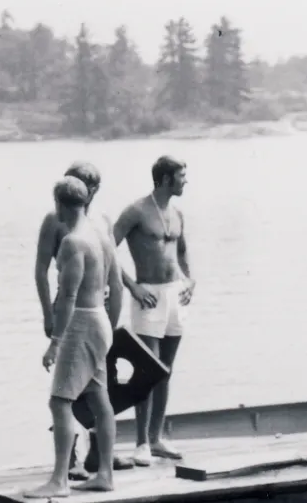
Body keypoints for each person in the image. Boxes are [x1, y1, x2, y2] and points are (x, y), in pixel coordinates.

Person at [33, 162, 134, 476]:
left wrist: (56, 342)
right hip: (90, 318)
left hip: (83, 320)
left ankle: (61, 478)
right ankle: (93, 469)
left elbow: (92, 290)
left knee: (62, 398)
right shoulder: (81, 228)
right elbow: (43, 272)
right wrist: (49, 317)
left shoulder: (86, 232)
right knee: (93, 394)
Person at [112, 155, 195, 466]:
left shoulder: (177, 213)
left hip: (176, 295)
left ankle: (158, 438)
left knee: (166, 371)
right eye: (181, 176)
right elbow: (107, 248)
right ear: (164, 179)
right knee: (148, 370)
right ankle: (141, 443)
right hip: (148, 296)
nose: (186, 181)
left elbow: (183, 251)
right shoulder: (137, 211)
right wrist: (132, 286)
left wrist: (191, 279)